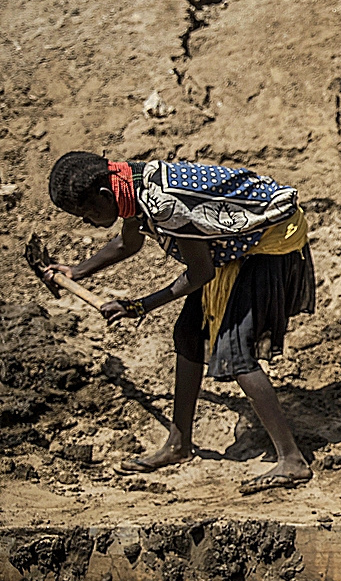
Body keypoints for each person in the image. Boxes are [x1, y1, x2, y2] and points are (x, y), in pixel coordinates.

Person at [44, 151, 316, 494]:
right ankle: (179, 444)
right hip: (232, 245)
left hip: (268, 241)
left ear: (105, 196)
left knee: (234, 350)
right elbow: (128, 243)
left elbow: (201, 273)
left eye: (86, 212)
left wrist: (139, 306)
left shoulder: (163, 203)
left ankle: (292, 460)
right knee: (188, 333)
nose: (86, 222)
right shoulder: (129, 183)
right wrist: (76, 271)